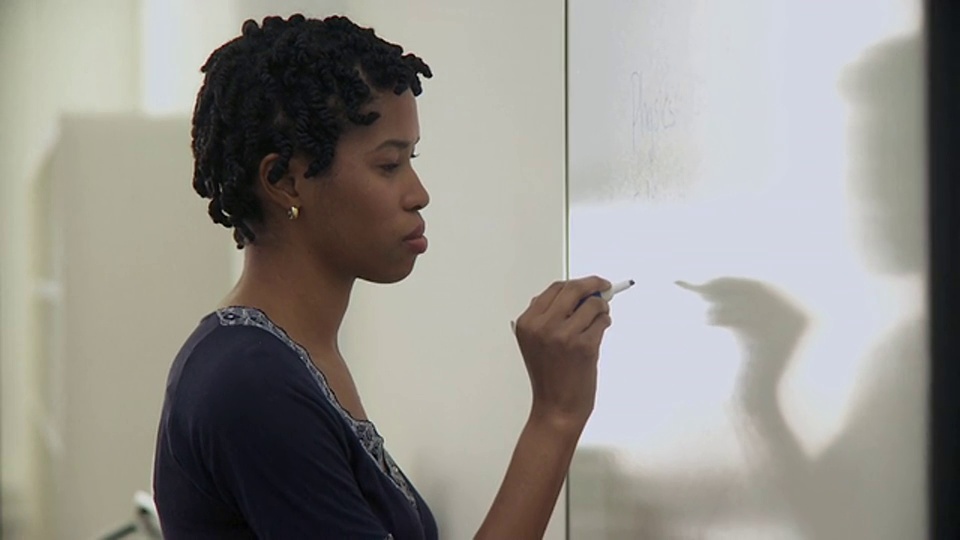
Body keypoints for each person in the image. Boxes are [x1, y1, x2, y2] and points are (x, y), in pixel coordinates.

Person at [152, 13, 614, 539]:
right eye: (389, 165)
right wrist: (554, 418)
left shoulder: (286, 353)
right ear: (284, 182)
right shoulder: (253, 384)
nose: (418, 193)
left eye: (411, 159)